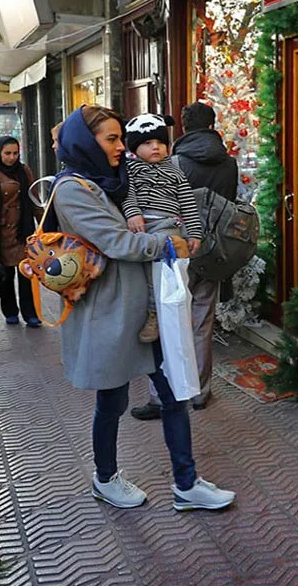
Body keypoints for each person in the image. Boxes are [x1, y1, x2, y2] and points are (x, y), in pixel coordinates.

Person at [52, 105, 235, 510]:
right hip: (111, 310)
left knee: (173, 394)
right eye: (111, 139)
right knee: (112, 400)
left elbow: (163, 209)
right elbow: (117, 242)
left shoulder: (115, 179)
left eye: (121, 138)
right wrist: (169, 243)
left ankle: (186, 484)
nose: (121, 147)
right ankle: (105, 477)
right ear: (87, 142)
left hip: (147, 307)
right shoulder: (72, 189)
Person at [131, 101, 238, 420]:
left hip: (176, 247)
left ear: (183, 127)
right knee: (202, 320)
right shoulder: (229, 162)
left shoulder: (173, 162)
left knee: (168, 318)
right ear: (212, 124)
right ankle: (200, 392)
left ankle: (163, 395)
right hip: (212, 250)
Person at [122, 113, 202, 342]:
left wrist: (195, 232)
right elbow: (127, 195)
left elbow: (188, 203)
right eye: (147, 143)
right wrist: (134, 213)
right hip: (141, 227)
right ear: (135, 147)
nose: (155, 147)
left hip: (168, 225)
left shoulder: (175, 171)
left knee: (175, 272)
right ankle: (153, 311)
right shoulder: (130, 170)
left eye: (160, 143)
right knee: (148, 276)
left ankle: (176, 312)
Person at [0, 136, 41, 327]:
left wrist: (44, 224)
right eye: (7, 153)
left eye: (15, 153)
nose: (12, 157)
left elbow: (34, 199)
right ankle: (10, 312)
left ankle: (30, 313)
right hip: (1, 233)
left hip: (22, 230)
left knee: (26, 273)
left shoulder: (24, 171)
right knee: (6, 274)